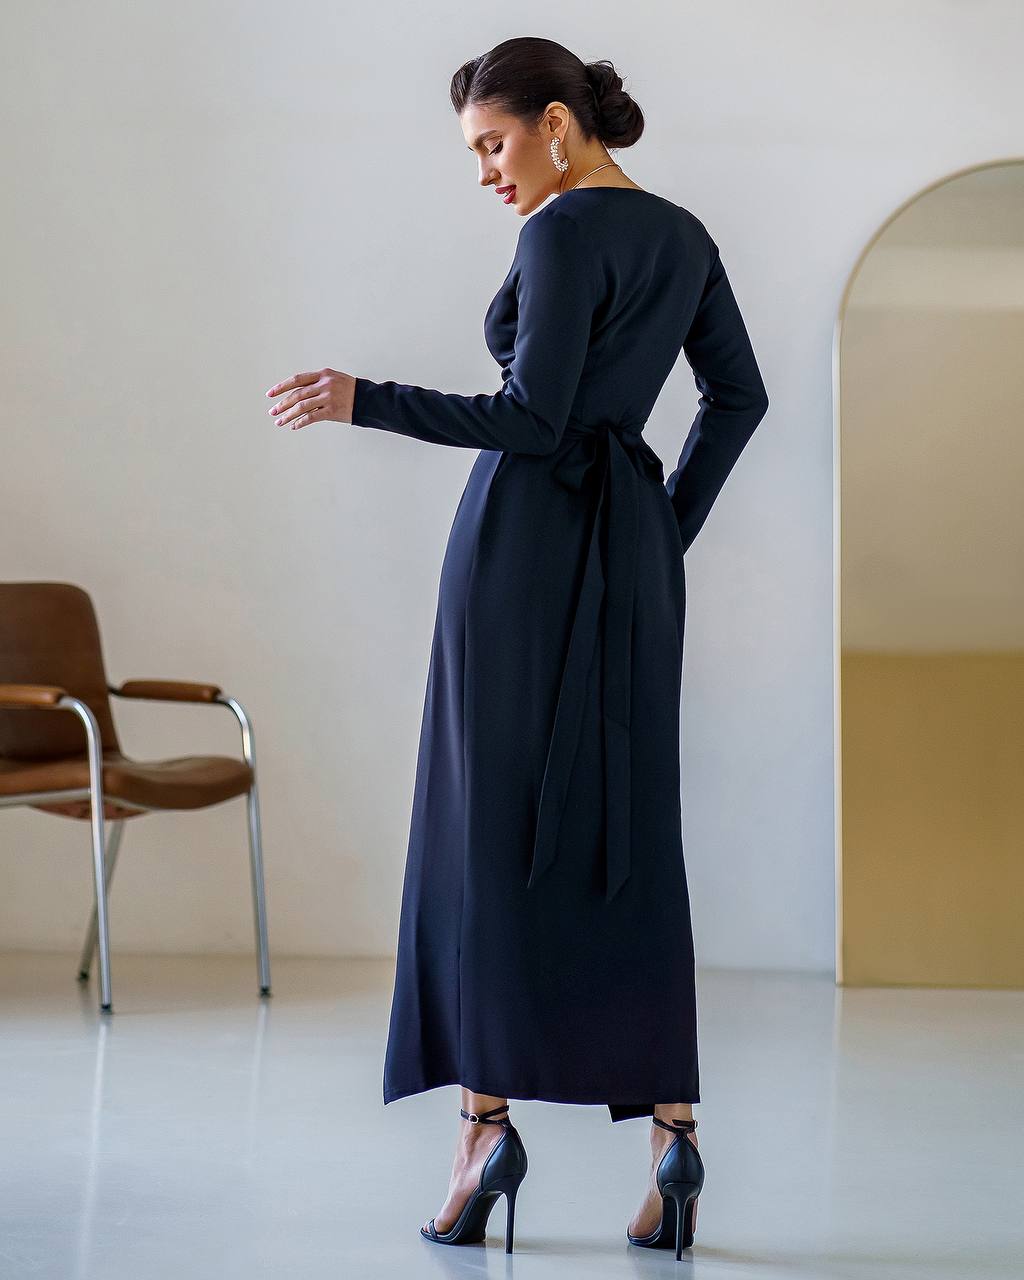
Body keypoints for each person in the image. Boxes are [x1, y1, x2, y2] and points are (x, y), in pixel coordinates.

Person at [265, 35, 769, 1260]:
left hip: (522, 555)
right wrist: (658, 526)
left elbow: (534, 419)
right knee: (631, 826)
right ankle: (673, 1136)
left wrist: (361, 397)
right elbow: (737, 397)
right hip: (626, 562)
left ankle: (483, 1132)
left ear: (555, 122)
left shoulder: (557, 233)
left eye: (492, 144)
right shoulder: (684, 235)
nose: (484, 172)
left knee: (480, 827)